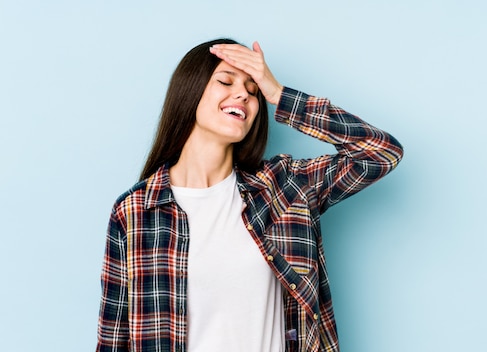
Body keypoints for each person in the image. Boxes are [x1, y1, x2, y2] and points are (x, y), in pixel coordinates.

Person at [96, 38, 404, 352]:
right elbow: (112, 340)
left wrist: (280, 95)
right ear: (189, 92)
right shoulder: (136, 212)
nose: (243, 94)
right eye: (225, 81)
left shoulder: (283, 188)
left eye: (253, 90)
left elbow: (381, 153)